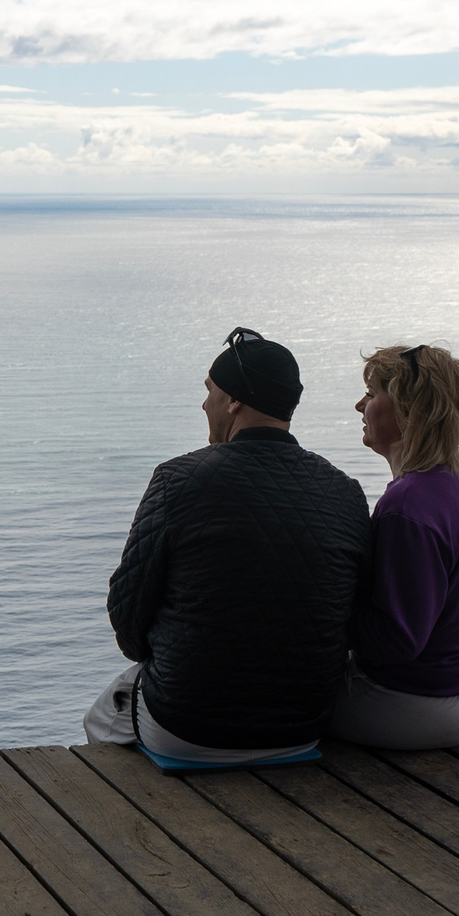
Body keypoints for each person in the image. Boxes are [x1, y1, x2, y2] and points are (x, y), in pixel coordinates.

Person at [84, 327, 372, 768]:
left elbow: (127, 615)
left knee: (102, 717)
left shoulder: (176, 480)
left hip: (189, 725)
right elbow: (353, 616)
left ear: (234, 400)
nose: (205, 403)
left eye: (210, 391)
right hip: (303, 725)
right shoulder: (345, 491)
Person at [333, 342, 459, 750]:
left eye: (373, 393)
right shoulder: (458, 484)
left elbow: (398, 640)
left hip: (424, 707)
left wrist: (325, 606)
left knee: (273, 695)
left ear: (408, 410)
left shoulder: (405, 506)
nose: (360, 405)